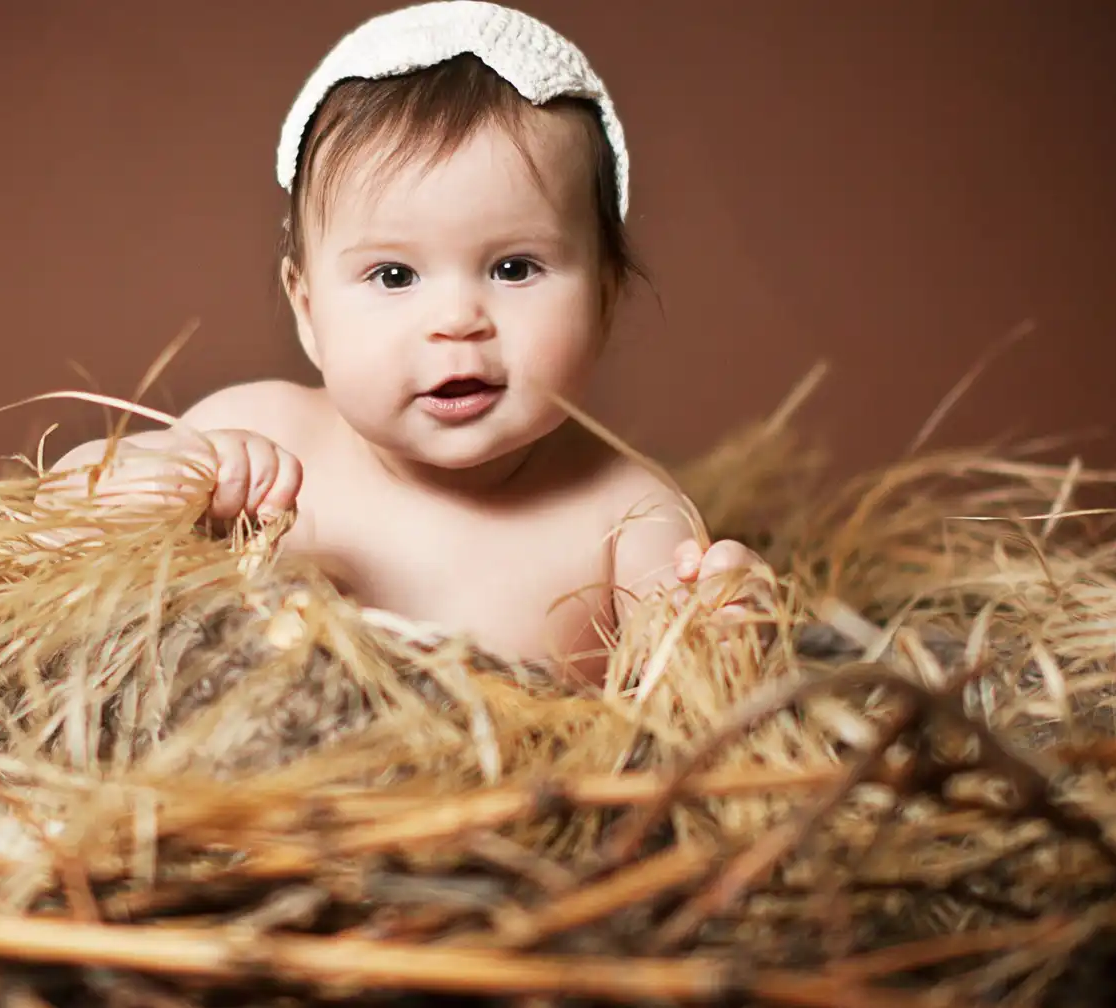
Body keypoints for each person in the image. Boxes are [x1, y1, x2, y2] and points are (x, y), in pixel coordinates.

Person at [40, 1, 761, 686]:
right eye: (393, 275)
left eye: (514, 268)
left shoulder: (625, 515)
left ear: (606, 299)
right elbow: (49, 533)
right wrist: (140, 484)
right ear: (308, 310)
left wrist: (723, 627)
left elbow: (689, 702)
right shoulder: (258, 436)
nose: (456, 320)